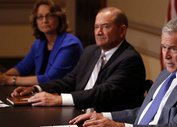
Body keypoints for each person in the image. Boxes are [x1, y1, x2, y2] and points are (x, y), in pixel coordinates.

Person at [69, 16, 177, 127]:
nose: (165, 55)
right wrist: (103, 116)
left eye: (173, 49)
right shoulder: (167, 73)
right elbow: (144, 113)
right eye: (163, 47)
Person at [11, 7, 146, 112]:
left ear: (122, 31)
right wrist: (37, 88)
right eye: (96, 27)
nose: (98, 32)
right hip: (76, 114)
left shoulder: (130, 60)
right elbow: (70, 80)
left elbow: (102, 93)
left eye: (105, 27)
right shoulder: (90, 51)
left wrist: (60, 99)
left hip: (105, 125)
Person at [0, 0, 83, 86]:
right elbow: (22, 68)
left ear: (59, 17)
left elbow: (50, 78)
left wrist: (10, 80)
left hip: (64, 96)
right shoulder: (39, 43)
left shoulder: (70, 44)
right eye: (40, 17)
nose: (44, 20)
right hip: (45, 93)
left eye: (49, 16)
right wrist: (4, 76)